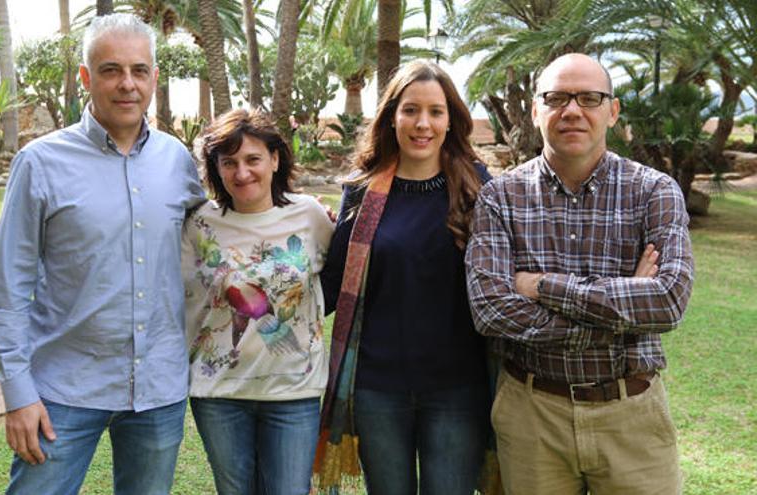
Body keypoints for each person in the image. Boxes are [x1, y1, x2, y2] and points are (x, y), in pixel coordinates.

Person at [0, 13, 204, 494]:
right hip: (63, 389)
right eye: (110, 70)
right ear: (85, 77)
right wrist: (17, 394)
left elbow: (221, 235)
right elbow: (6, 288)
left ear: (154, 79)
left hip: (158, 391)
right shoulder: (40, 163)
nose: (127, 84)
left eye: (139, 70)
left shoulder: (178, 162)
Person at [465, 53, 695, 495]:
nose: (572, 110)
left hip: (633, 416)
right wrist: (625, 308)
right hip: (533, 415)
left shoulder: (654, 191)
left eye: (590, 98)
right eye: (556, 98)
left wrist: (541, 285)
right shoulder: (500, 198)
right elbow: (491, 311)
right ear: (535, 111)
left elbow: (667, 302)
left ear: (612, 111)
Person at [315, 60, 493, 494]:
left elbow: (514, 267)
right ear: (392, 116)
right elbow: (332, 286)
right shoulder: (361, 192)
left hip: (457, 389)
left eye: (435, 111)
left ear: (451, 121)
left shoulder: (478, 189)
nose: (422, 123)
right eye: (411, 110)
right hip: (379, 389)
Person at [182, 109, 334, 495]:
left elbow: (337, 283)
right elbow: (177, 296)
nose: (242, 172)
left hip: (292, 393)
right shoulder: (199, 222)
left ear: (275, 159)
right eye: (228, 162)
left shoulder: (310, 216)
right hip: (219, 394)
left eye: (253, 159)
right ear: (215, 167)